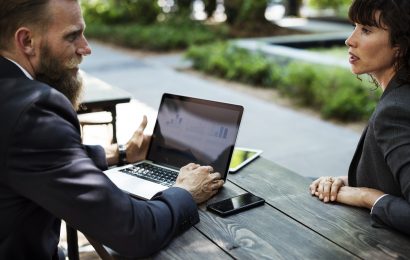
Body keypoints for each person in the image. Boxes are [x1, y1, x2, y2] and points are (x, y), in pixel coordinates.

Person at [0, 0, 224, 259]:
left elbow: (28, 158)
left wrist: (120, 153)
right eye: (72, 36)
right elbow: (135, 232)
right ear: (27, 41)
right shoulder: (35, 110)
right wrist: (184, 191)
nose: (86, 48)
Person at [309, 0, 410, 236]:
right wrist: (344, 182)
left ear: (401, 46)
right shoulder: (401, 96)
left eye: (366, 30)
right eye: (354, 26)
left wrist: (365, 196)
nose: (350, 40)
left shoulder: (395, 111)